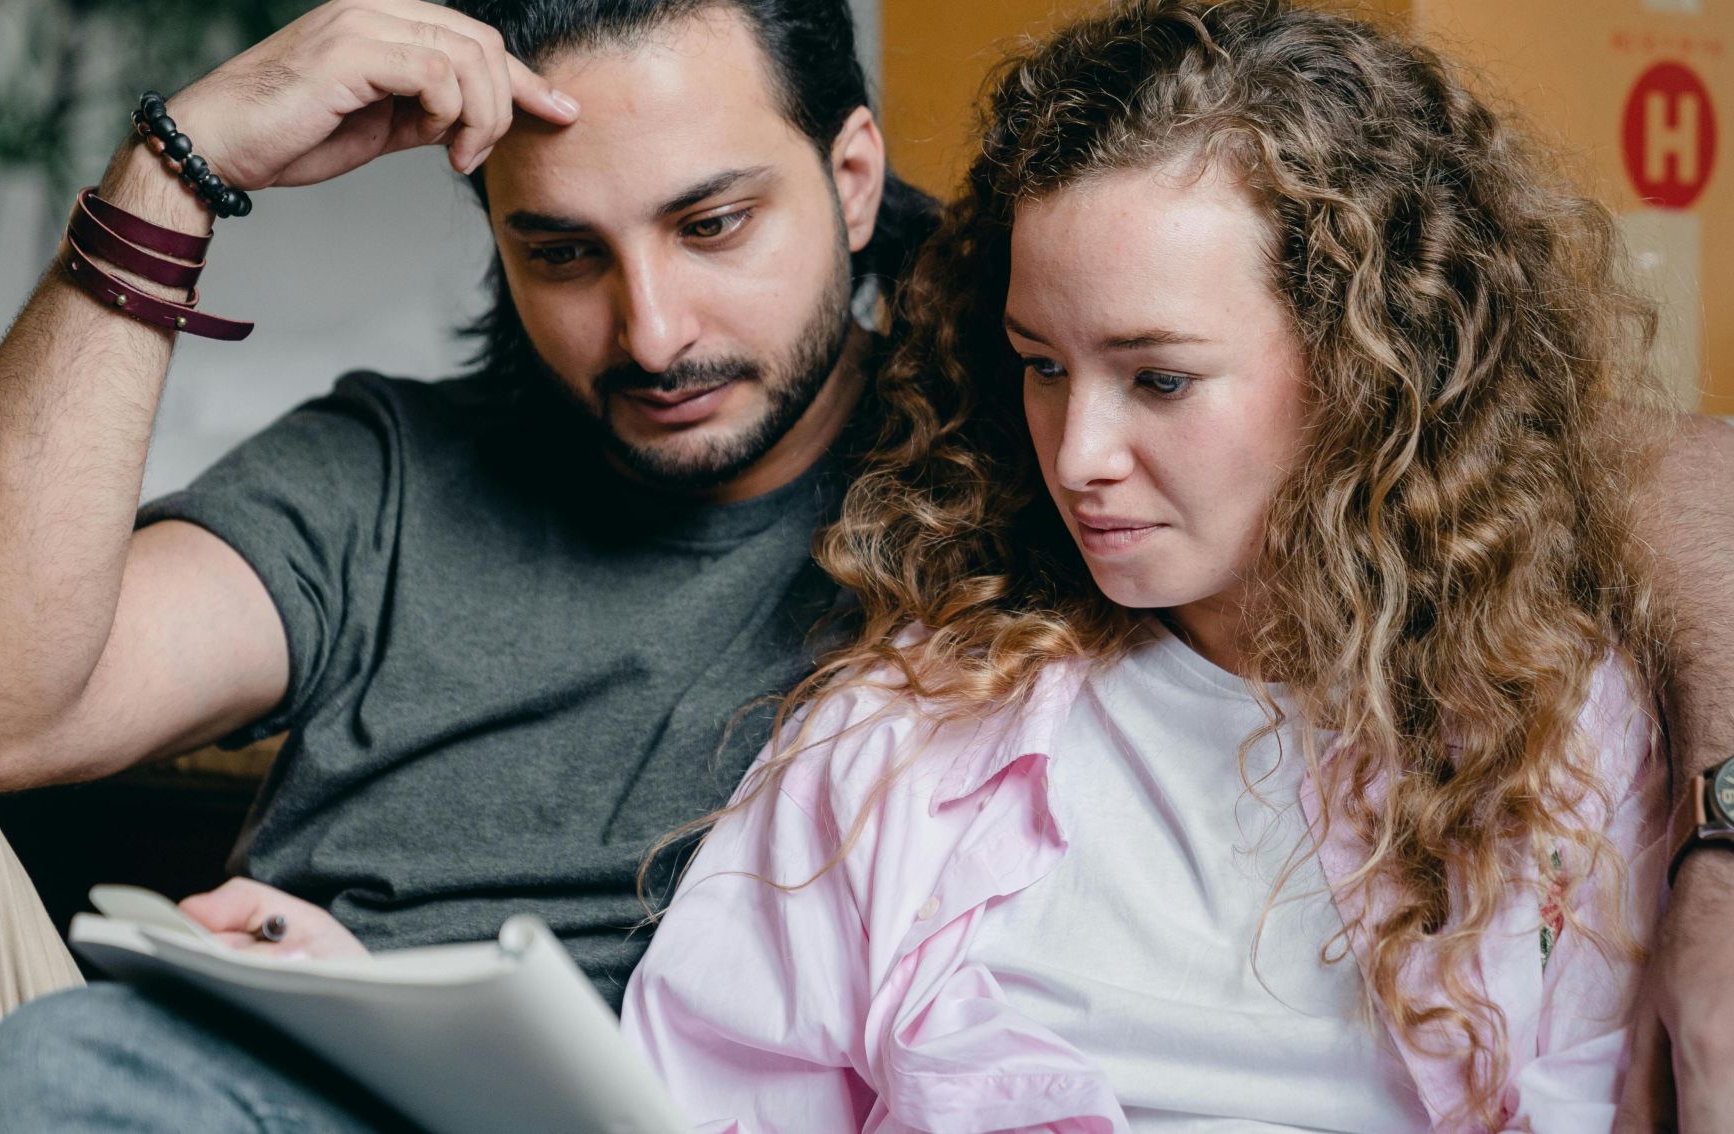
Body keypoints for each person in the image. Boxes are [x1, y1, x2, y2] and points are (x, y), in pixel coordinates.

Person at [0, 0, 1717, 1130]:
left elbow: (1597, 466)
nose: (650, 327)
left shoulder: (1015, 416)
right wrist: (175, 169)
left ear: (858, 178)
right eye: (561, 250)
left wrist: (1721, 838)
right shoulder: (399, 470)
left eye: (715, 221)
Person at [618, 2, 1686, 1130]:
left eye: (1160, 379)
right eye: (1042, 365)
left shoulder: (1568, 747)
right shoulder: (895, 744)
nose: (1078, 456)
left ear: (1366, 367)